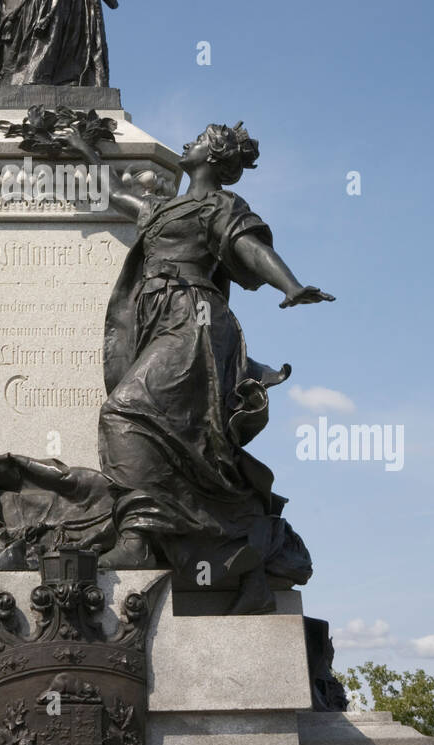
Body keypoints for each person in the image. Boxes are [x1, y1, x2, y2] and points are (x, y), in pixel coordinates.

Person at [96, 122, 334, 613]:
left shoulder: (220, 206)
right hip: (157, 316)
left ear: (213, 155)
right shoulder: (163, 208)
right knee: (173, 430)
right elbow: (115, 195)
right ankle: (164, 529)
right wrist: (83, 152)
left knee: (125, 412)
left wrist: (289, 286)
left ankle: (139, 538)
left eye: (197, 139)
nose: (186, 144)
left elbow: (251, 249)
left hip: (194, 315)